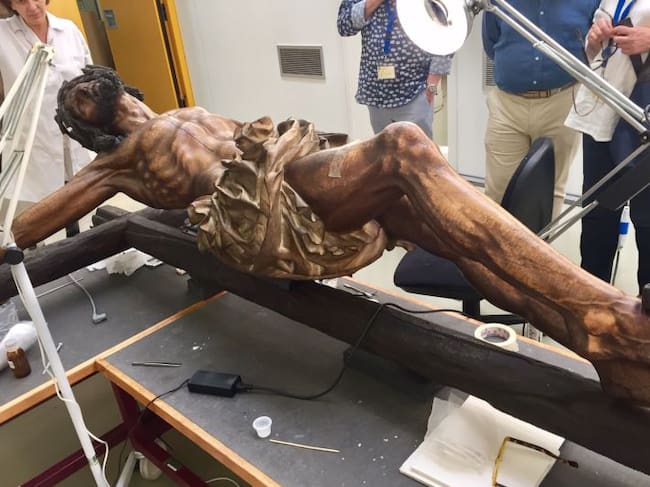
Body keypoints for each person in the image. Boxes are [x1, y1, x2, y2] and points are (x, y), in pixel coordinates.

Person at [5, 65, 650, 406]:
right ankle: (612, 317)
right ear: (83, 127)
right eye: (70, 100)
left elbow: (256, 146)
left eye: (82, 84)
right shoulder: (117, 162)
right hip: (261, 218)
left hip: (281, 180)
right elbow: (28, 226)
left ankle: (601, 349)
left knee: (443, 229)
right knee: (404, 145)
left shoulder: (183, 110)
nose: (76, 90)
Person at [482, 0, 600, 217]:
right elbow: (491, 43)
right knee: (498, 192)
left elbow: (597, 46)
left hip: (561, 102)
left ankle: (540, 241)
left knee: (548, 193)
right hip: (507, 105)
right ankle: (500, 241)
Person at [565, 1, 650, 294]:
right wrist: (594, 38)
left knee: (647, 221)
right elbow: (594, 53)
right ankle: (591, 300)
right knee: (597, 216)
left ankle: (644, 312)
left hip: (642, 122)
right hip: (603, 117)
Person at [0, 0, 93, 221]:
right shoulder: (3, 35)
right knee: (48, 211)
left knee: (84, 198)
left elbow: (90, 76)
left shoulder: (68, 30)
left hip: (77, 129)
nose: (32, 6)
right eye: (21, 1)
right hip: (35, 136)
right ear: (11, 5)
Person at [337, 0, 452, 139]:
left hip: (416, 91)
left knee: (417, 151)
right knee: (385, 150)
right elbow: (344, 26)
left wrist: (433, 83)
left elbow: (448, 30)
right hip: (376, 94)